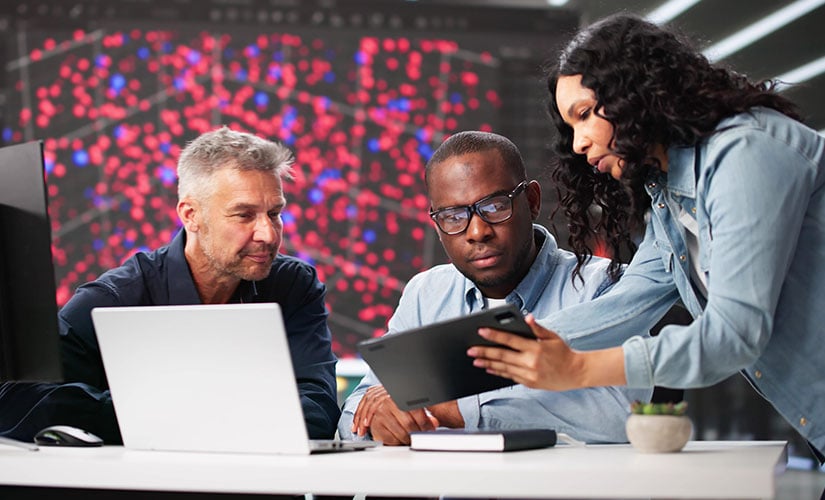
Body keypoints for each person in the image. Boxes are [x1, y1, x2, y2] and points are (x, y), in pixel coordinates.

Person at [467, 13, 825, 464]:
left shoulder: (747, 154)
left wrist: (576, 369)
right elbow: (624, 308)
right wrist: (493, 355)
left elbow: (733, 335)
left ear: (635, 95)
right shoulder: (670, 196)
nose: (577, 143)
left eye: (583, 115)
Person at [1, 127, 340, 442]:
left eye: (275, 213)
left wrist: (175, 416)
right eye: (244, 215)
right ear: (190, 214)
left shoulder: (294, 284)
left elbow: (318, 411)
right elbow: (19, 398)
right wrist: (175, 415)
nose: (268, 234)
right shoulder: (118, 297)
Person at [338, 130, 651, 445]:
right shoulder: (426, 294)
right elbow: (359, 408)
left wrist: (460, 411)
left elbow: (625, 413)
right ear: (437, 224)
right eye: (453, 216)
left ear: (531, 201)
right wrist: (377, 417)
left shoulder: (605, 287)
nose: (477, 232)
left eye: (494, 207)